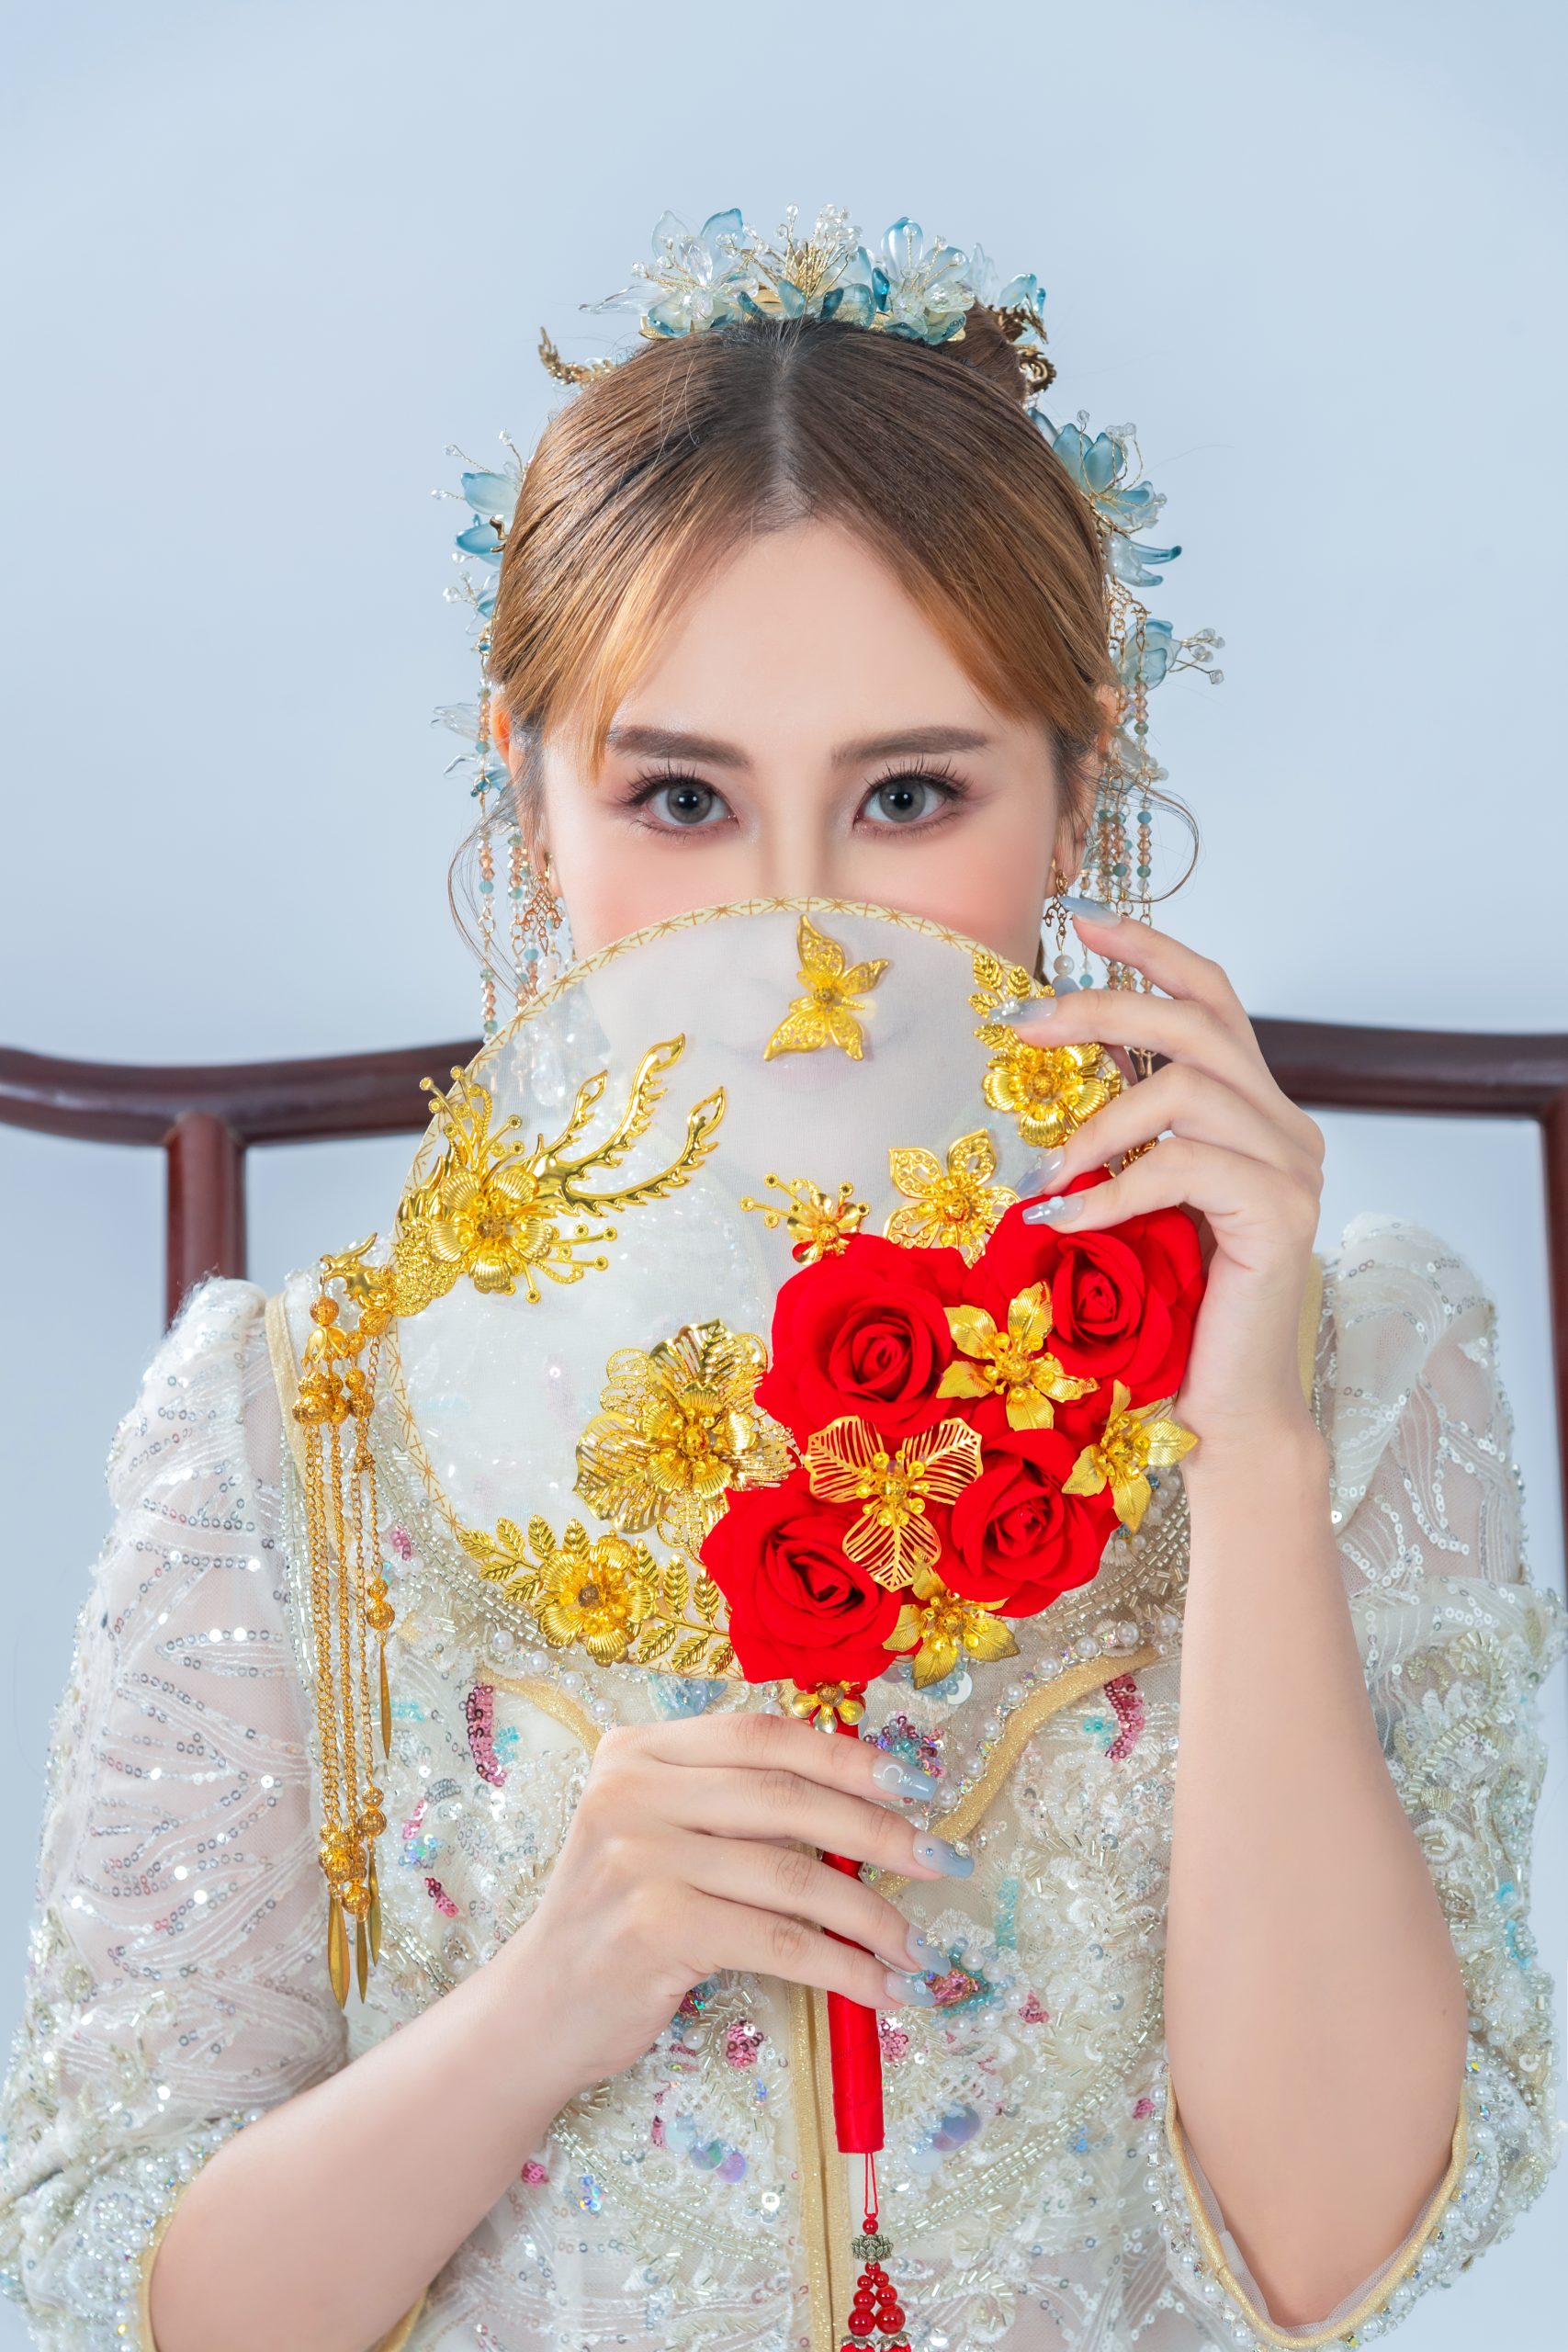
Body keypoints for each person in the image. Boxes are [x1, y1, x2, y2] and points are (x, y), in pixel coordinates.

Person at [1, 206, 1563, 2352]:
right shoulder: (297, 1421)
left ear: (1076, 793)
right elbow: (142, 2285)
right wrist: (551, 1990)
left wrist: (1253, 1443)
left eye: (909, 793)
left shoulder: (1355, 1351)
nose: (804, 938)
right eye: (678, 796)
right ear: (529, 798)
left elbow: (1329, 2247)